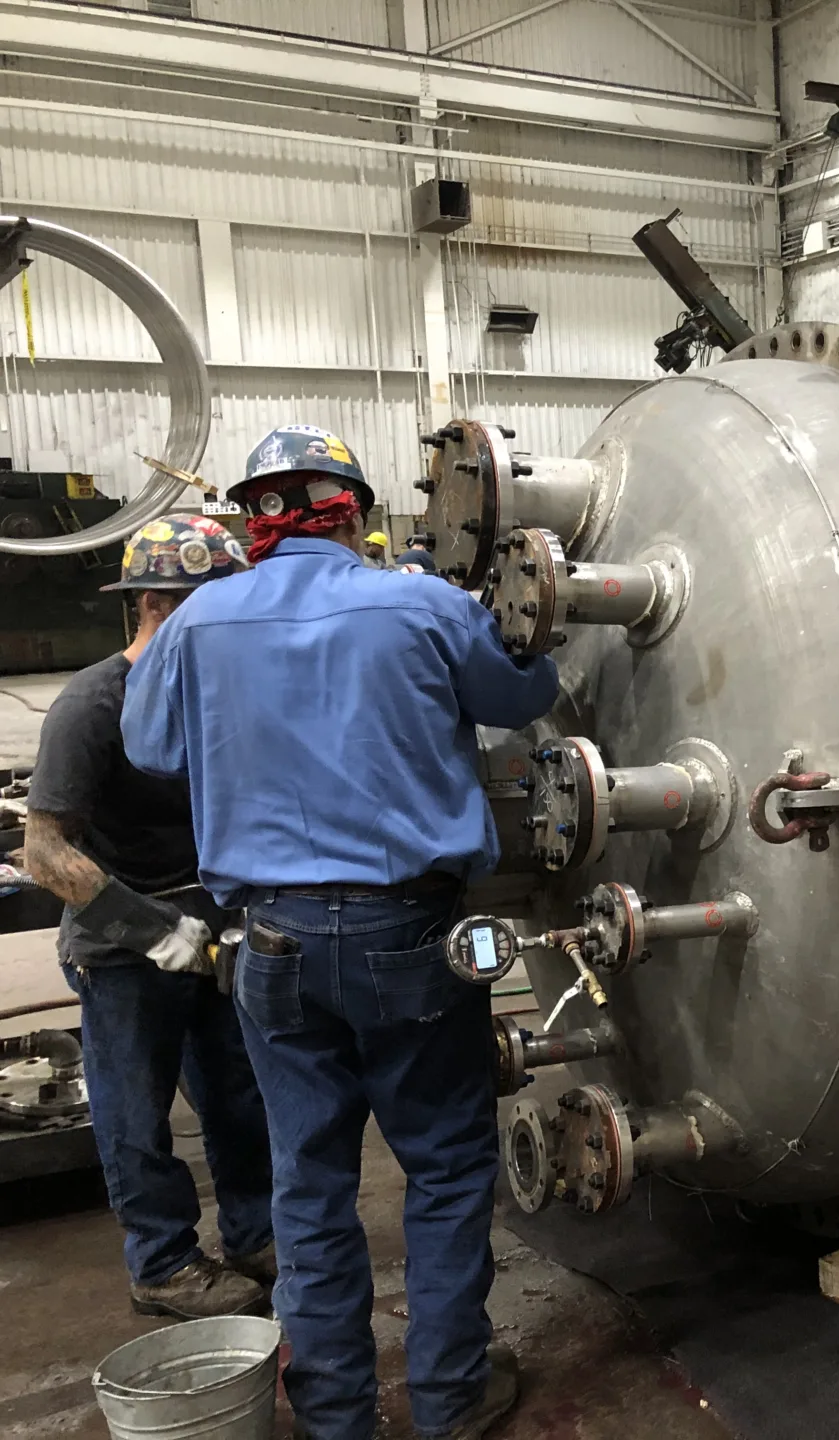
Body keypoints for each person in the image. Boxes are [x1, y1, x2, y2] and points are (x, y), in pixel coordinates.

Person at [122, 425, 558, 1440]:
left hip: (268, 943)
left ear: (253, 519)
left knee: (308, 1186)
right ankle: (449, 1402)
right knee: (446, 1170)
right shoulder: (420, 603)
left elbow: (149, 749)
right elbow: (528, 693)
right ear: (357, 512)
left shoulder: (201, 622)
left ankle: (334, 1419)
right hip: (410, 933)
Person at [25, 514, 275, 1319]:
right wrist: (154, 931)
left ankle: (257, 1234)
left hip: (218, 935)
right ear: (160, 610)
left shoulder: (222, 703)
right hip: (126, 948)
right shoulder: (93, 707)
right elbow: (45, 854)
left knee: (240, 1099)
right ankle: (164, 1263)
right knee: (136, 1115)